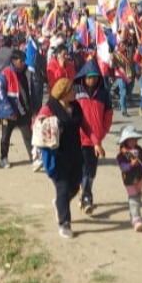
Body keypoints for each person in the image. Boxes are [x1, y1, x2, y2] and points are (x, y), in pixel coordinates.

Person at [38, 78, 85, 238]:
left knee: (76, 186)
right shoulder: (50, 108)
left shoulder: (76, 107)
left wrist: (96, 142)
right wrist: (50, 127)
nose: (74, 92)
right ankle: (64, 223)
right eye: (71, 90)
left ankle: (60, 202)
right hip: (57, 157)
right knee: (63, 188)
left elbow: (85, 126)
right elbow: (37, 126)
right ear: (64, 93)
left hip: (75, 154)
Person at [75, 61, 114, 214]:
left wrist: (102, 132)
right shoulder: (76, 91)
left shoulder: (104, 94)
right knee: (84, 170)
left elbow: (108, 115)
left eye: (95, 77)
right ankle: (87, 199)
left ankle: (84, 193)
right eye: (89, 77)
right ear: (83, 77)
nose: (92, 80)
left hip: (97, 139)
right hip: (79, 137)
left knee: (92, 171)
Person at [0, 50, 36, 170]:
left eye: (24, 61)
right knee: (5, 137)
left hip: (23, 111)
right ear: (14, 61)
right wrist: (9, 110)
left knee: (28, 135)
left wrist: (33, 109)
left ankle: (33, 157)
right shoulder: (5, 73)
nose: (23, 63)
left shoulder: (26, 73)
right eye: (21, 61)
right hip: (9, 112)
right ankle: (3, 158)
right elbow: (0, 93)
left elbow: (30, 92)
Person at [115, 125, 142, 232]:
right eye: (132, 139)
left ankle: (133, 214)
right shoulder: (121, 155)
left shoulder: (139, 149)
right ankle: (136, 219)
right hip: (129, 179)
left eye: (135, 139)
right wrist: (130, 165)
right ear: (126, 140)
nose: (134, 141)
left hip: (139, 176)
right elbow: (122, 167)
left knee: (138, 196)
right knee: (133, 198)